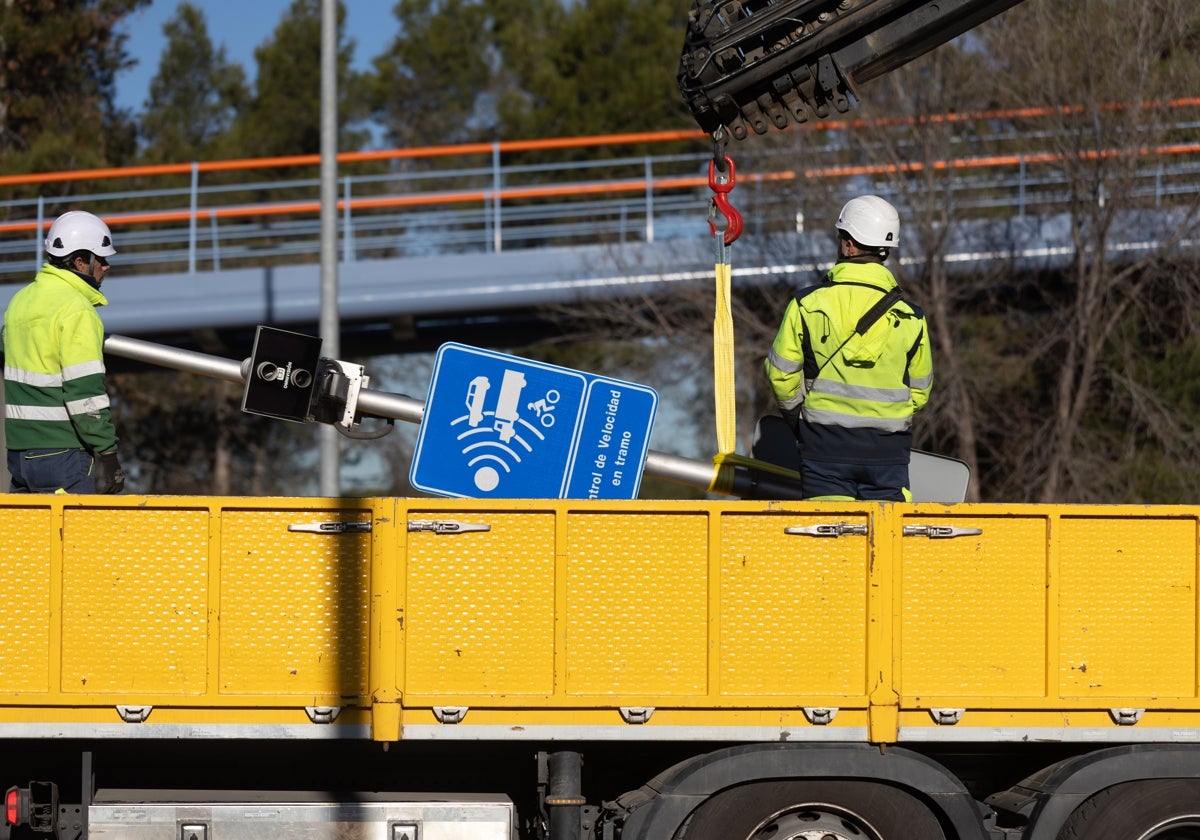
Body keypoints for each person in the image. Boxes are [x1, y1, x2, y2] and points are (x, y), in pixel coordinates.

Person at [763, 195, 932, 501]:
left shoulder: (806, 303)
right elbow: (919, 392)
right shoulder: (912, 317)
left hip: (824, 451)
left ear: (849, 245)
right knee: (884, 543)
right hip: (888, 454)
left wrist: (800, 421)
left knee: (830, 541)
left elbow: (780, 374)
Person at [3, 210, 124, 494]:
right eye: (101, 258)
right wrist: (108, 453)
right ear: (81, 262)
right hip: (62, 454)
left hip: (19, 455)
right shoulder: (76, 310)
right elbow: (85, 394)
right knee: (73, 539)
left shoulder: (20, 301)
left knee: (28, 539)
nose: (106, 266)